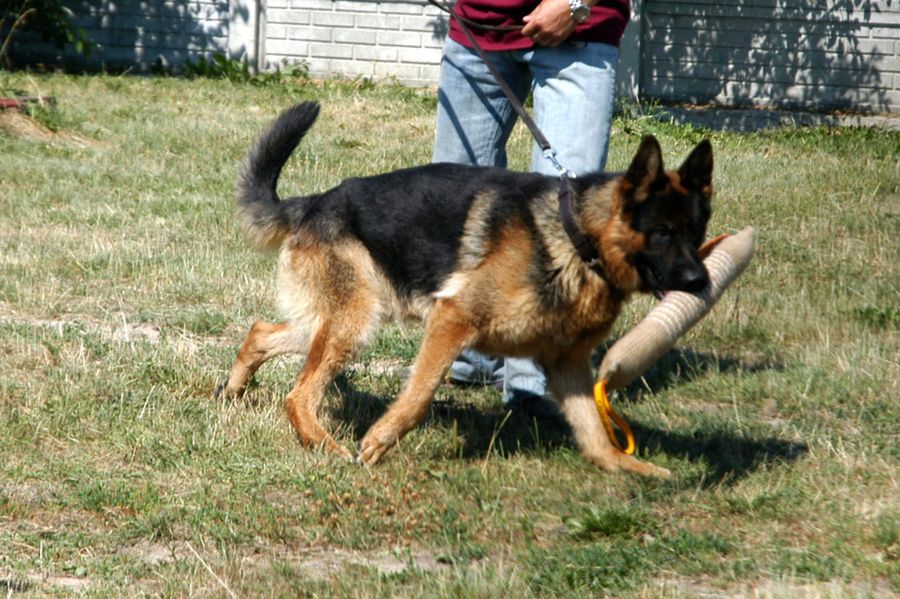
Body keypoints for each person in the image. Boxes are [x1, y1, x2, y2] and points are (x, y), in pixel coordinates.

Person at [432, 0, 630, 414]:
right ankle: (470, 356)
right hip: (478, 26)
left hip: (578, 32)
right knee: (452, 206)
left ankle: (530, 385)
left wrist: (575, 4)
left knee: (562, 221)